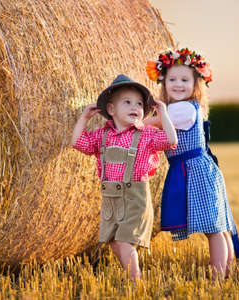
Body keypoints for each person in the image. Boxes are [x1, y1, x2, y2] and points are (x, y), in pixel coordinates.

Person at [145, 48, 239, 279]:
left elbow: (152, 123)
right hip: (197, 169)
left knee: (214, 229)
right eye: (172, 79)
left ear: (195, 84)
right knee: (218, 227)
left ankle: (219, 277)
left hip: (196, 171)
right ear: (164, 82)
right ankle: (226, 275)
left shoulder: (182, 109)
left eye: (184, 80)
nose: (178, 84)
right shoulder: (182, 107)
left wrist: (129, 120)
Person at [71, 74, 177, 280]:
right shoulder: (102, 136)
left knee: (125, 242)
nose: (134, 107)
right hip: (111, 198)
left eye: (139, 103)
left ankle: (135, 281)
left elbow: (171, 140)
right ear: (111, 110)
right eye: (127, 102)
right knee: (114, 241)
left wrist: (163, 112)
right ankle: (132, 275)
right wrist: (83, 118)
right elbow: (78, 142)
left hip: (135, 198)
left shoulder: (146, 134)